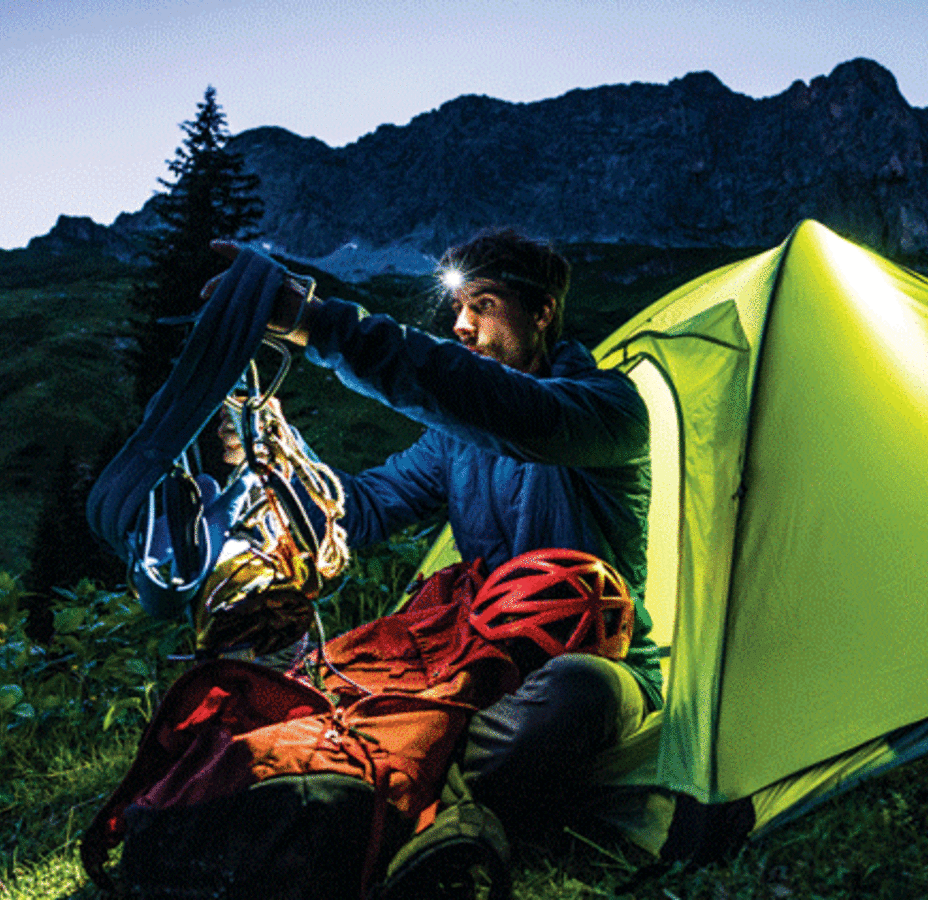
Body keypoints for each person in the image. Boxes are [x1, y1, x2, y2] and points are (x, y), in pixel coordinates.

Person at [207, 228, 662, 841]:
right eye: (458, 309)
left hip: (592, 657)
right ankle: (403, 795)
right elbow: (362, 508)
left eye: (484, 305)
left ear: (542, 311)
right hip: (476, 661)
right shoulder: (453, 444)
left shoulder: (606, 410)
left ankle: (402, 805)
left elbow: (504, 409)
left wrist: (320, 325)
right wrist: (276, 457)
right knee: (333, 678)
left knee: (577, 693)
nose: (463, 327)